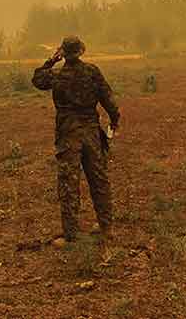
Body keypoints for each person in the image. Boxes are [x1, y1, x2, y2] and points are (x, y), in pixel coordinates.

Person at [32, 36, 120, 246]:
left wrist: (51, 60)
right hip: (91, 133)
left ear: (63, 52)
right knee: (98, 179)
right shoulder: (92, 72)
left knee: (69, 183)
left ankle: (71, 234)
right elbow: (109, 100)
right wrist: (114, 120)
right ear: (81, 50)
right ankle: (106, 228)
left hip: (68, 133)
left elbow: (37, 79)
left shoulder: (57, 75)